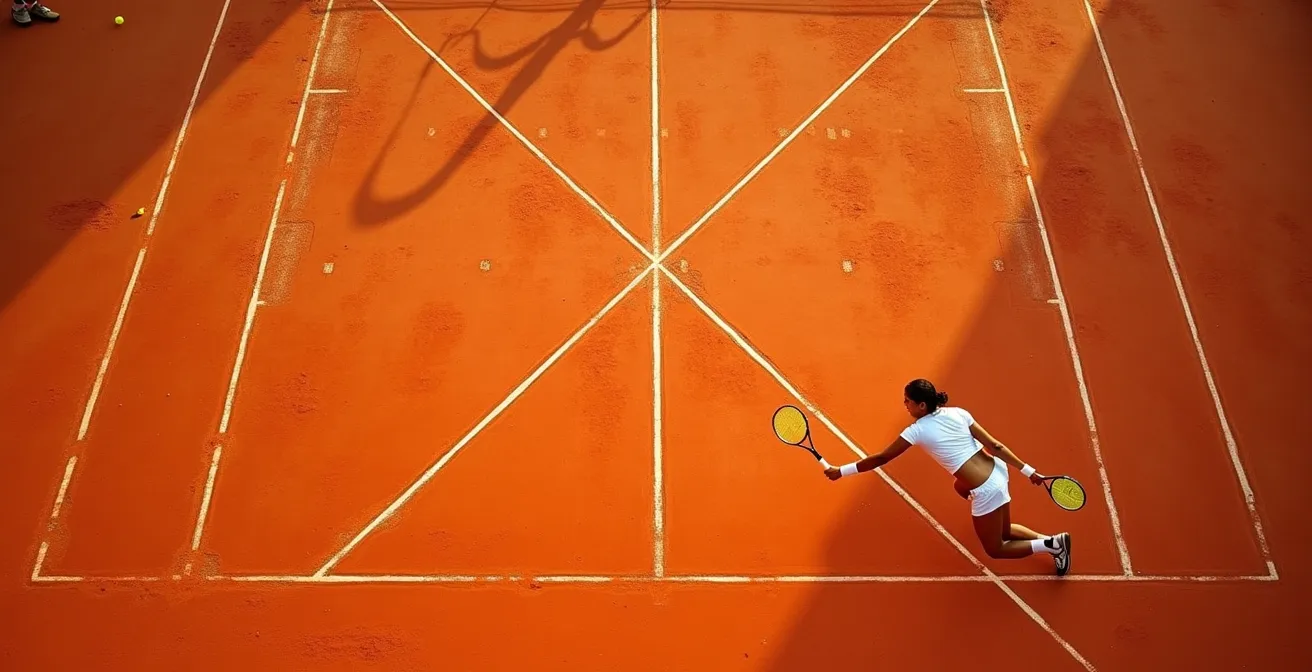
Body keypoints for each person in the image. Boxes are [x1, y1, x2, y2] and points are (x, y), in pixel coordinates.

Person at [824, 379, 1072, 576]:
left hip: (986, 489)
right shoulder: (958, 413)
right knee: (983, 510)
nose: (905, 404)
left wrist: (841, 471)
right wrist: (1029, 471)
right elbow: (995, 446)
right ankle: (1053, 541)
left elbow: (881, 458)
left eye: (908, 401)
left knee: (996, 548)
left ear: (922, 405)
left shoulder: (917, 430)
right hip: (997, 470)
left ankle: (1049, 546)